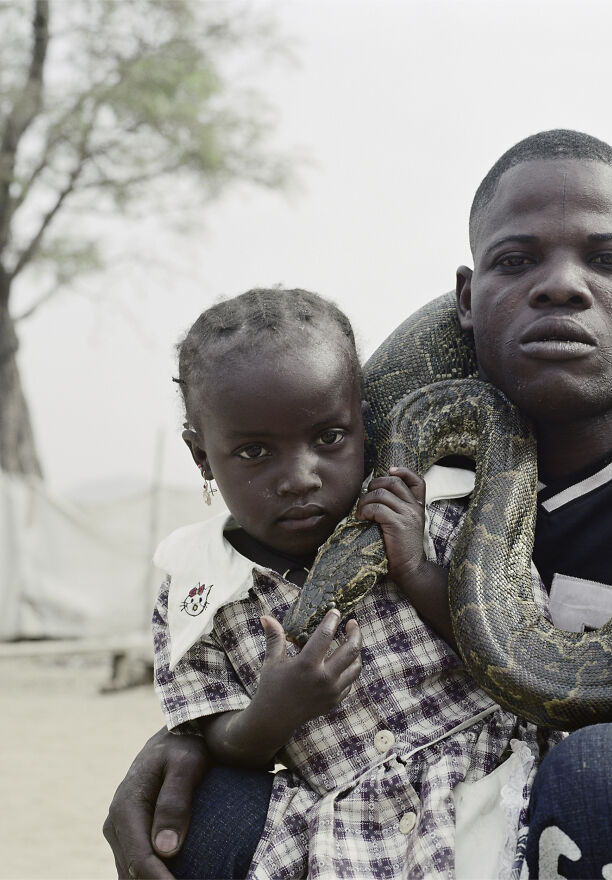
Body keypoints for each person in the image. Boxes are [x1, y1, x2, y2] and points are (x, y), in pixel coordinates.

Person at [104, 132, 612, 879]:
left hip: (595, 829)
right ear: (465, 298)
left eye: (608, 258)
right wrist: (198, 739)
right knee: (211, 810)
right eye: (516, 261)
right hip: (435, 831)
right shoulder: (371, 474)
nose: (560, 286)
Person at [143, 286, 550, 879]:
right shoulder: (198, 597)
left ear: (364, 423)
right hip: (354, 834)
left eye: (329, 438)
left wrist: (417, 571)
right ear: (202, 457)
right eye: (255, 452)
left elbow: (520, 642)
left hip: (498, 782)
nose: (300, 477)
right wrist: (272, 713)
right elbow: (215, 741)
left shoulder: (434, 515)